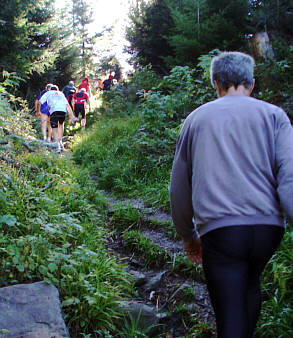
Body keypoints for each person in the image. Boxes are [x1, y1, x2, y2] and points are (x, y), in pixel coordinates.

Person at [170, 51, 293, 338]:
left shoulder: (197, 119)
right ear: (251, 83)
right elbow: (289, 178)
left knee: (230, 316)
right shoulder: (275, 116)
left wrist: (188, 235)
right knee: (250, 286)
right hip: (267, 231)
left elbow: (179, 187)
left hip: (221, 232)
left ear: (216, 83)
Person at [36, 85, 77, 152]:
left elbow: (39, 102)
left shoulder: (48, 93)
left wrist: (38, 111)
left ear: (50, 89)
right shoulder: (61, 94)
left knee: (54, 129)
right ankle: (60, 142)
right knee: (61, 125)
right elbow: (67, 105)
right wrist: (72, 116)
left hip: (54, 111)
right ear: (57, 89)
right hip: (62, 111)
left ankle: (57, 146)